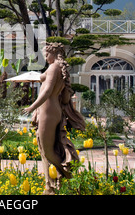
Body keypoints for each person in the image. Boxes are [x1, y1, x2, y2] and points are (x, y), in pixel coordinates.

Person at [23, 42, 85, 194]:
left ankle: (71, 180)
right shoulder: (57, 68)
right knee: (45, 150)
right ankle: (50, 186)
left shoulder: (53, 67)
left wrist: (32, 106)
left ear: (54, 52)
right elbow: (63, 98)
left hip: (48, 111)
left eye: (46, 55)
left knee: (48, 151)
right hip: (51, 110)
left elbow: (48, 91)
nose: (45, 58)